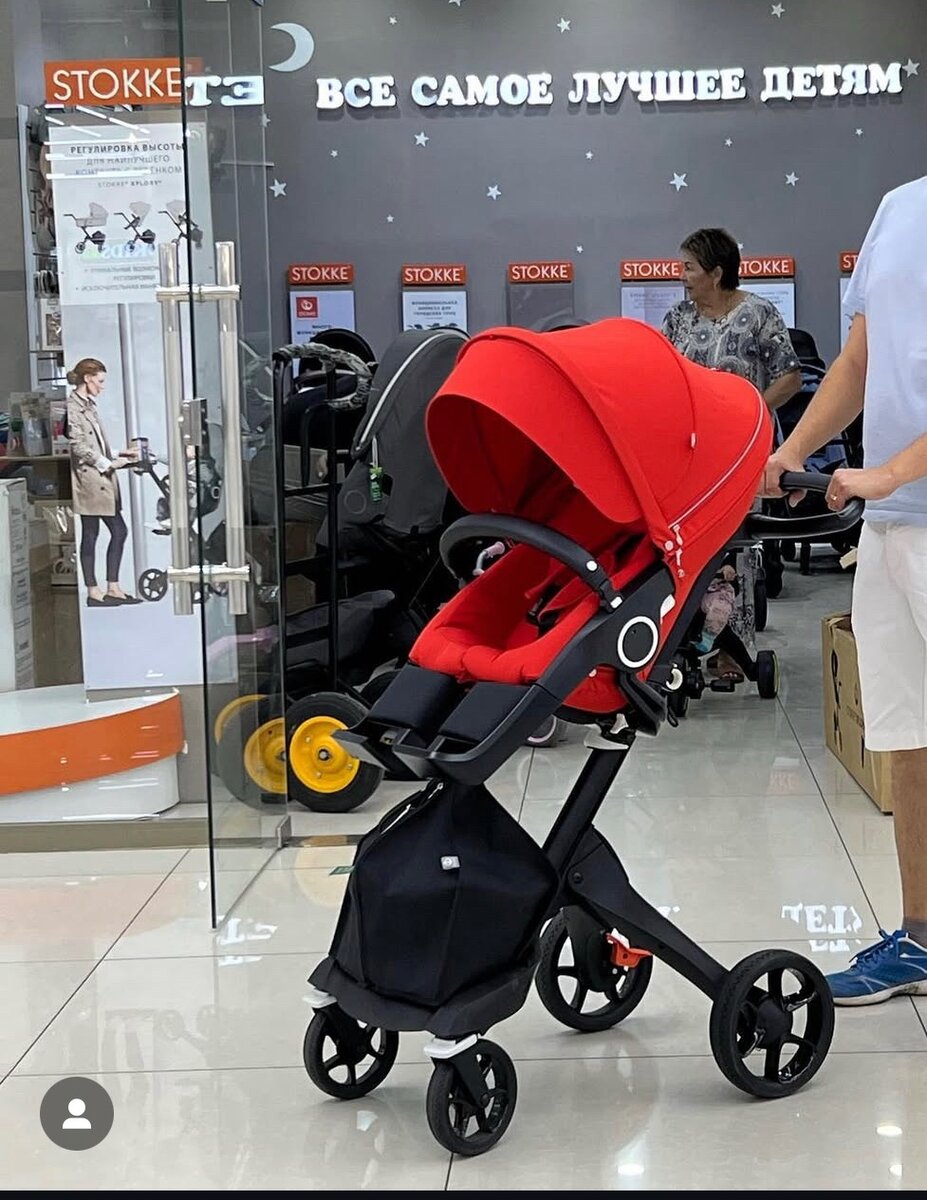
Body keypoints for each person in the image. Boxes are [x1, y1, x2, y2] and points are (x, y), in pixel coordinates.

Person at [764, 175, 927, 1005]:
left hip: (898, 494)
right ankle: (921, 938)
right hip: (892, 525)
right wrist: (791, 451)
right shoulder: (897, 207)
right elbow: (858, 359)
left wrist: (889, 471)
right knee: (909, 738)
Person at [663, 228, 802, 680]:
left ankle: (733, 650)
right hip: (689, 454)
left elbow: (790, 377)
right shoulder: (678, 318)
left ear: (716, 272)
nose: (681, 276)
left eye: (689, 267)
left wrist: (750, 409)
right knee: (688, 544)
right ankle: (678, 640)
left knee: (737, 546)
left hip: (742, 450)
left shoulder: (759, 313)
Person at [67, 357, 141, 607]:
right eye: (99, 381)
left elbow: (95, 444)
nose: (102, 386)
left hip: (101, 478)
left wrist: (120, 453)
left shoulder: (89, 406)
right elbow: (78, 446)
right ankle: (94, 590)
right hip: (90, 480)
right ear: (87, 379)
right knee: (92, 533)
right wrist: (107, 463)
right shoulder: (73, 408)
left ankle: (112, 587)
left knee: (114, 531)